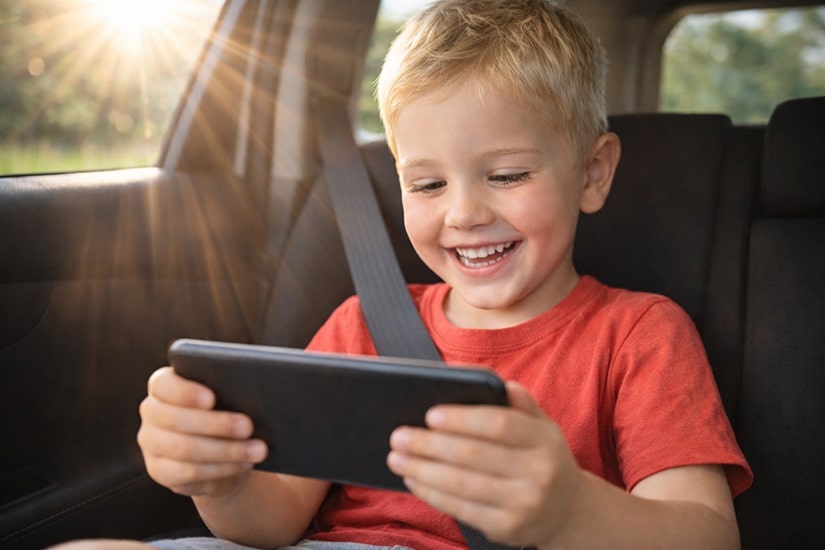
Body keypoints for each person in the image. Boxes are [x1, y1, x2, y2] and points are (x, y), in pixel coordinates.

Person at [52, 0, 752, 549]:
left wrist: (568, 509)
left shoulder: (639, 334)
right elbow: (275, 518)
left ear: (592, 173)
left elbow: (707, 537)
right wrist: (219, 478)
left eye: (507, 175)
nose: (464, 213)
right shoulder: (362, 323)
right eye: (426, 185)